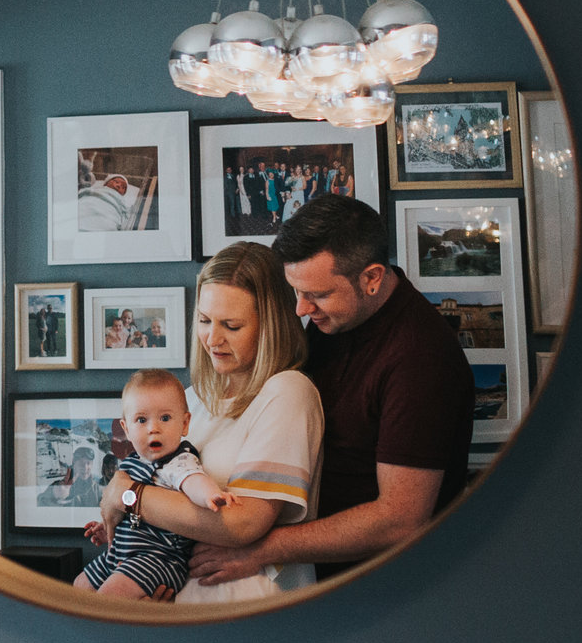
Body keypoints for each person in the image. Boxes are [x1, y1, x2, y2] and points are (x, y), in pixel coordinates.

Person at [190, 194, 474, 589]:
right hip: (320, 579)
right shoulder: (337, 320)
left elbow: (400, 518)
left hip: (386, 589)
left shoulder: (420, 358)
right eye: (296, 292)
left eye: (318, 295)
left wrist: (262, 548)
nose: (302, 310)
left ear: (371, 278)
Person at [100, 242, 325, 604]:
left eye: (231, 326)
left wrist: (128, 496)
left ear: (270, 325)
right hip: (182, 607)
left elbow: (242, 524)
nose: (212, 339)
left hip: (256, 607)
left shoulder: (286, 391)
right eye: (205, 321)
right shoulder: (189, 401)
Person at [76, 369, 235, 600]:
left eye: (165, 418)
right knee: (80, 586)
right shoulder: (130, 464)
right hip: (123, 552)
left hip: (159, 558)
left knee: (110, 597)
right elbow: (122, 509)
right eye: (142, 420)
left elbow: (193, 480)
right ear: (127, 429)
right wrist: (107, 529)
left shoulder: (178, 461)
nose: (153, 428)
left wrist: (211, 495)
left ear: (184, 423)